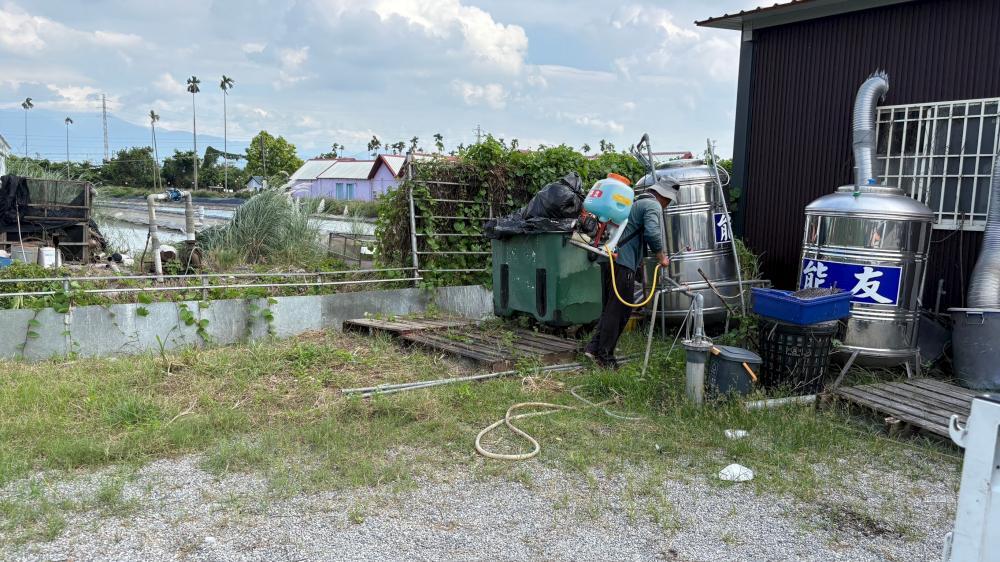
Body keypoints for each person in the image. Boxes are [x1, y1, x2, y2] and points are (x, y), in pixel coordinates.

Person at [585, 178, 678, 368]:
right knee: (619, 311)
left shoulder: (636, 202)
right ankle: (604, 357)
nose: (668, 205)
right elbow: (653, 233)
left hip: (611, 259)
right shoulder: (652, 205)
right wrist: (661, 257)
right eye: (669, 201)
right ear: (664, 196)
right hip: (623, 263)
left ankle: (593, 348)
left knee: (612, 308)